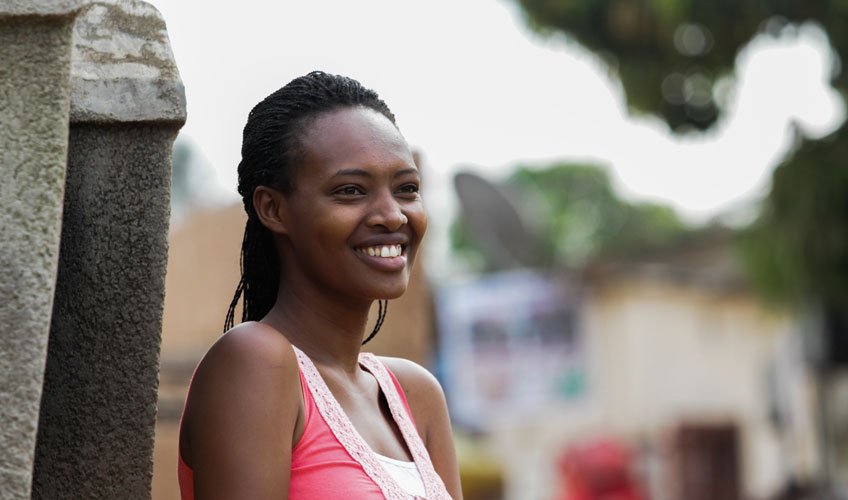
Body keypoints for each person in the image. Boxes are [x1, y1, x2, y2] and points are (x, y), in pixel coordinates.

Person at [177, 71, 462, 500]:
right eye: (350, 190)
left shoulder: (414, 394)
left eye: (407, 188)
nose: (393, 215)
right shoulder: (257, 364)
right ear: (273, 209)